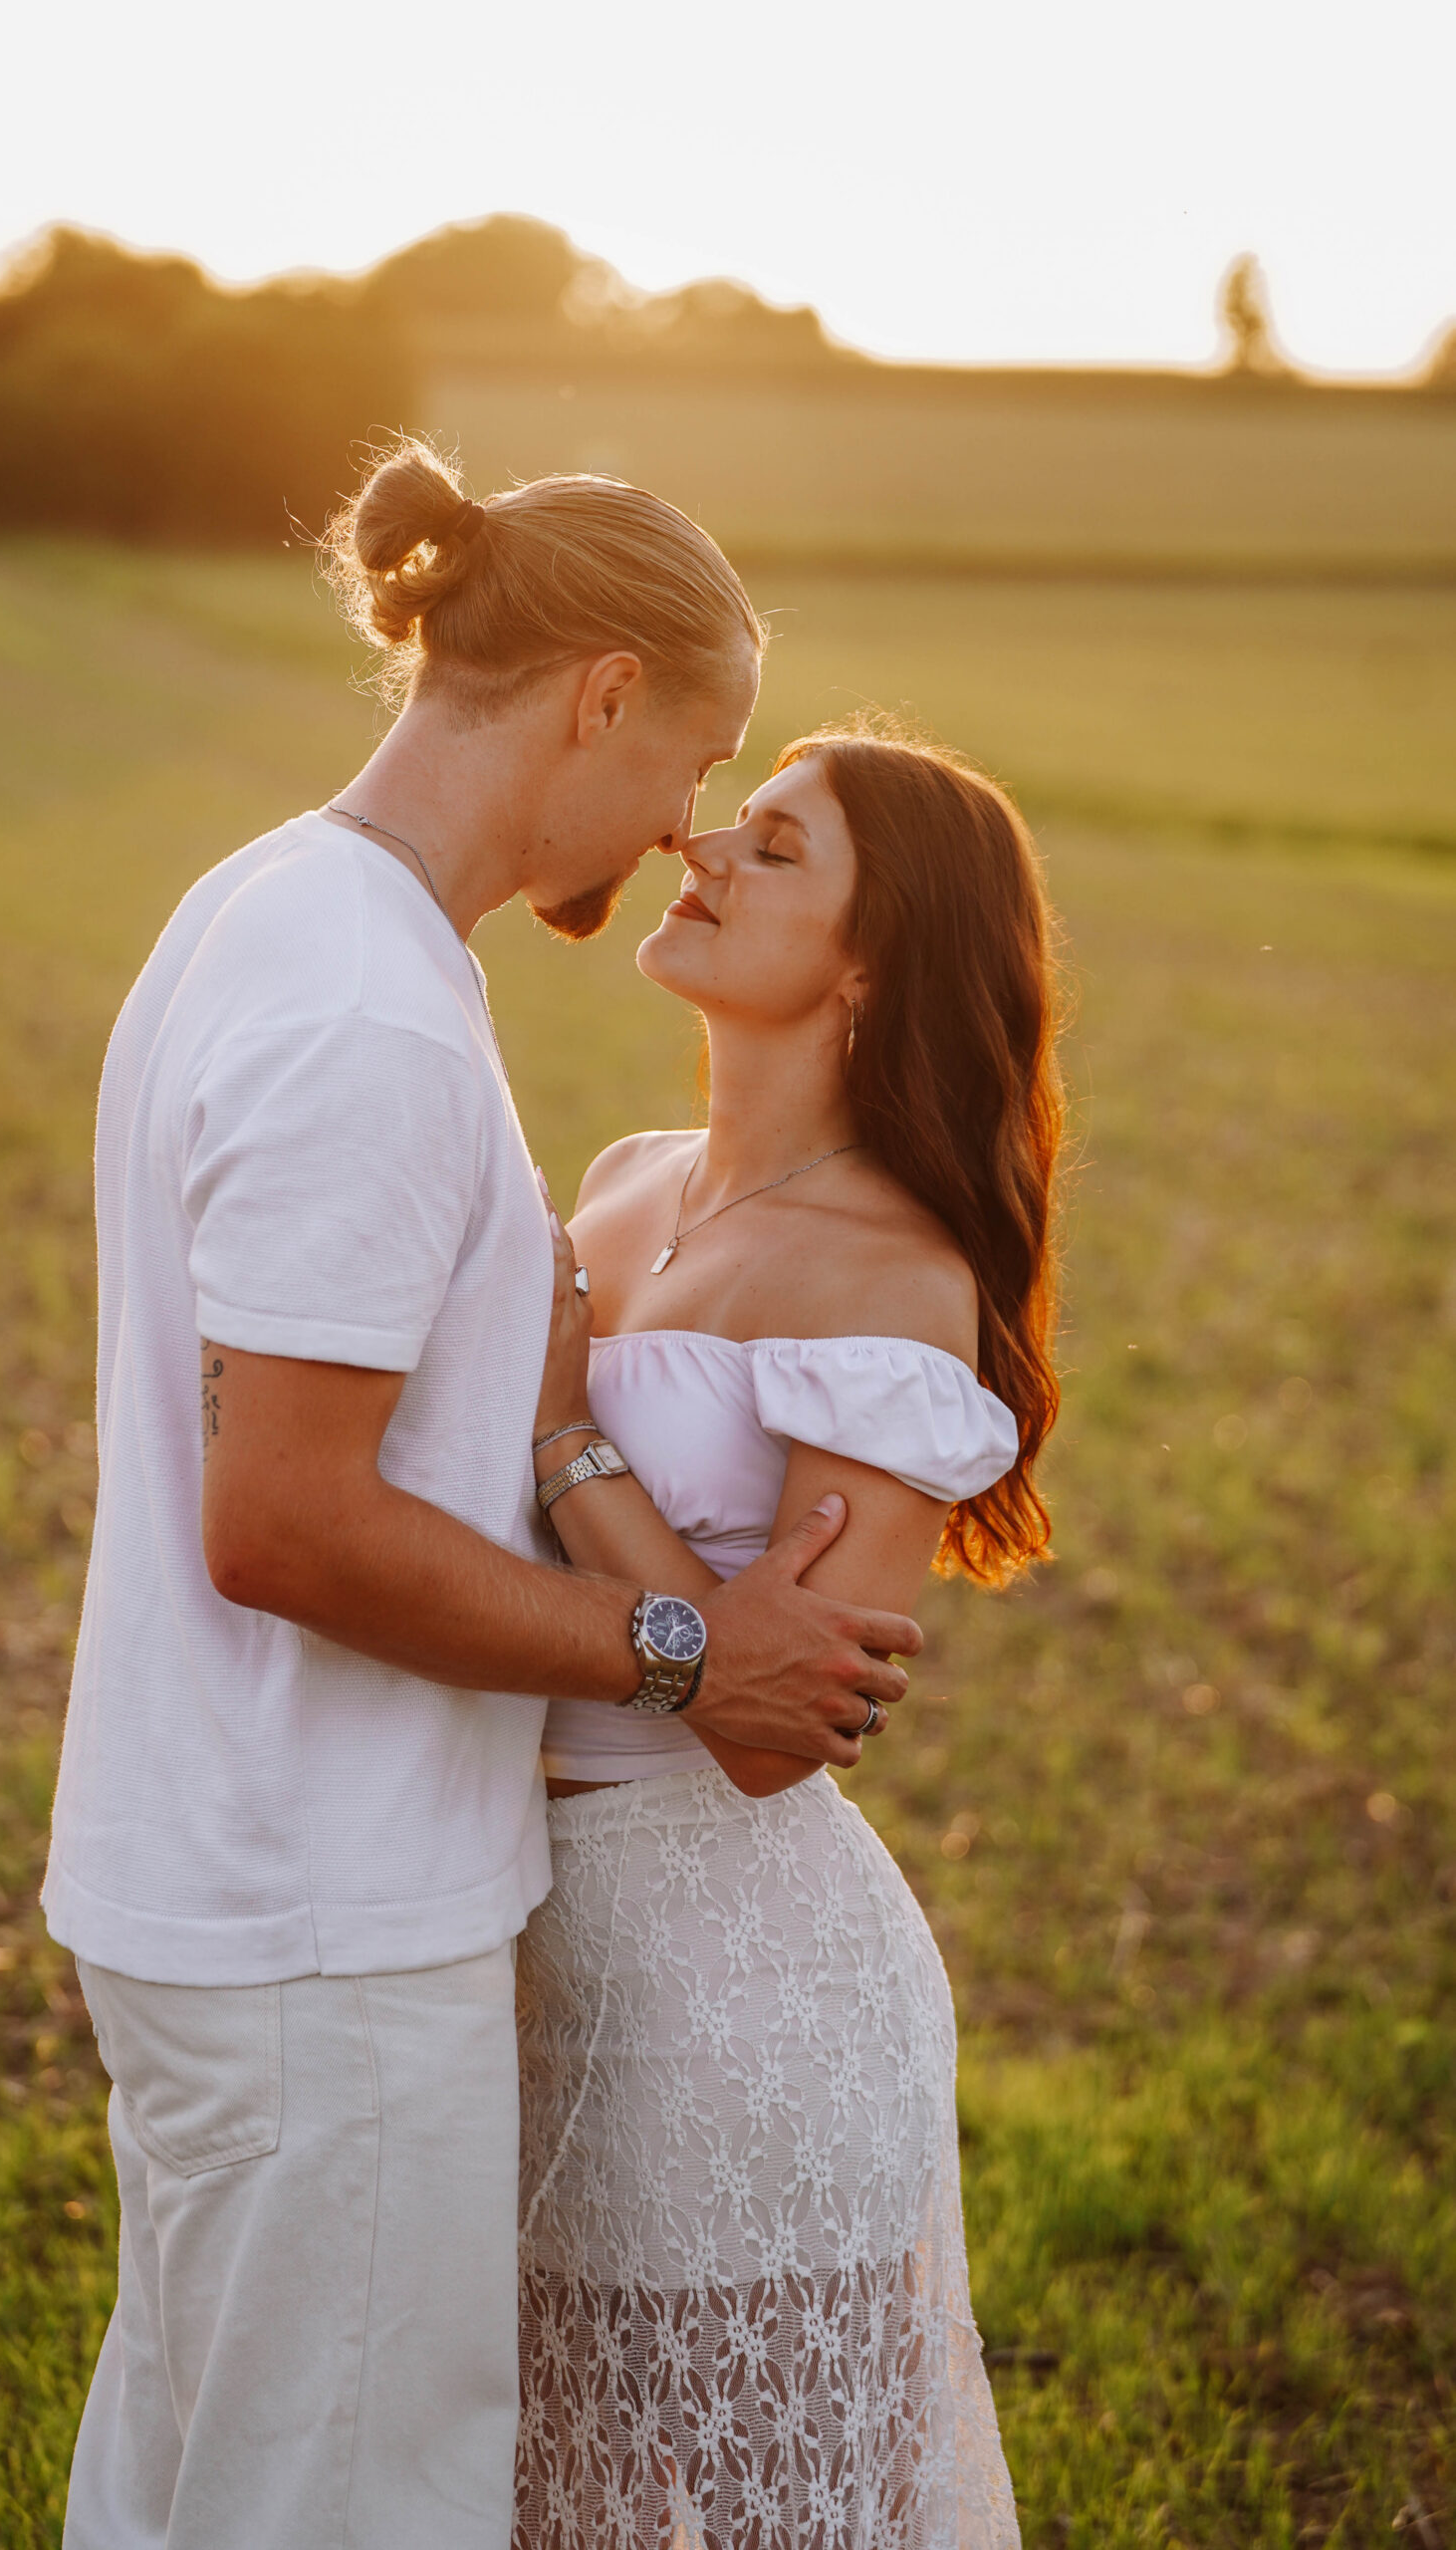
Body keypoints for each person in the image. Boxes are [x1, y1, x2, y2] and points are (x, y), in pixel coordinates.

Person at [41, 441, 927, 2550]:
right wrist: (682, 1639)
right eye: (691, 760)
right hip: (316, 1910)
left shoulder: (277, 904)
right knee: (335, 2505)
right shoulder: (366, 1008)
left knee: (192, 2480)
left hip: (242, 1877)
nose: (682, 831)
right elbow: (288, 1522)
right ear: (597, 694)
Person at [516, 727, 1064, 2549]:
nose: (705, 850)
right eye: (727, 825)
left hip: (737, 1984)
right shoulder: (619, 1177)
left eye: (776, 849)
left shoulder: (890, 1278)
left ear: (870, 963)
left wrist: (562, 1434)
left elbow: (767, 1730)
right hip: (512, 1938)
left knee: (757, 2514)